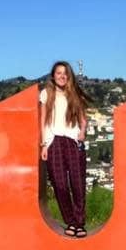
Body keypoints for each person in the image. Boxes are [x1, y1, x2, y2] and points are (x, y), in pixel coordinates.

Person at [39, 61, 92, 237]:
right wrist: (44, 144)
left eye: (65, 73)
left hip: (73, 142)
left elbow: (83, 118)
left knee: (77, 184)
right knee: (60, 184)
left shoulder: (74, 94)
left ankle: (79, 223)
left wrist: (83, 132)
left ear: (68, 76)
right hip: (54, 142)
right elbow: (44, 119)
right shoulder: (47, 93)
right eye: (58, 73)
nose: (62, 76)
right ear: (53, 76)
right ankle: (70, 221)